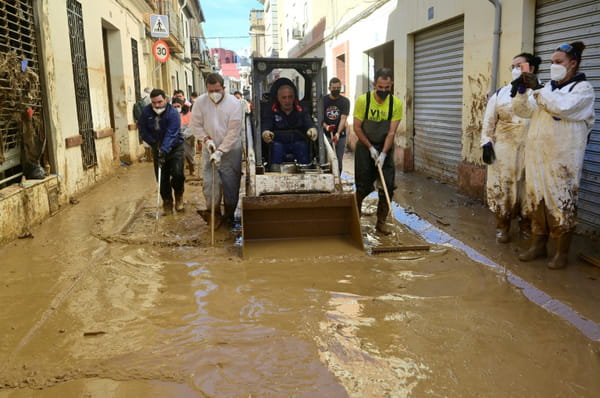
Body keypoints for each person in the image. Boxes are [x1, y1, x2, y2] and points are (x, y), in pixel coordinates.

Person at [513, 41, 595, 269]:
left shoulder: (583, 90)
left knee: (562, 202)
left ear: (573, 64)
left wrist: (537, 89)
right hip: (538, 157)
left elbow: (562, 108)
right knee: (536, 200)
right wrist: (520, 93)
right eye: (551, 63)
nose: (553, 66)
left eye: (558, 62)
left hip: (562, 160)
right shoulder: (547, 88)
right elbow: (523, 111)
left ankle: (561, 252)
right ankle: (538, 245)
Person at [481, 52, 541, 243]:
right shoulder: (500, 94)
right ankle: (503, 226)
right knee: (503, 189)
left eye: (519, 65)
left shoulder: (542, 93)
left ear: (530, 68)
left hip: (532, 150)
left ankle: (526, 226)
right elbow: (488, 122)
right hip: (504, 151)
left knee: (528, 190)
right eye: (513, 66)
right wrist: (486, 143)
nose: (515, 69)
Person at [353, 67, 403, 235]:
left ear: (391, 85)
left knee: (388, 186)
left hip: (385, 148)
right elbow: (357, 128)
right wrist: (370, 148)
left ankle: (381, 223)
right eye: (380, 87)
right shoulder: (363, 101)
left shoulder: (396, 104)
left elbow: (391, 132)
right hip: (365, 147)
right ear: (375, 84)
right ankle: (354, 221)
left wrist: (382, 153)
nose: (383, 91)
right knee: (363, 187)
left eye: (386, 88)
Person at [191, 73, 243, 228]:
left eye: (217, 90)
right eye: (211, 91)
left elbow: (234, 131)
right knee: (209, 184)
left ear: (223, 88)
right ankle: (213, 214)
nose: (214, 94)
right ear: (206, 89)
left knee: (230, 185)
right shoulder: (200, 103)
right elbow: (196, 125)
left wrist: (221, 151)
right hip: (210, 148)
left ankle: (229, 217)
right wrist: (207, 140)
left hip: (231, 150)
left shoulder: (234, 103)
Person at [138, 89, 185, 213]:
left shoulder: (173, 113)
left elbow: (172, 133)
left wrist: (164, 149)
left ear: (166, 100)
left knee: (178, 174)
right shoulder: (146, 112)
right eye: (154, 103)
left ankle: (179, 195)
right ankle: (167, 202)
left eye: (160, 102)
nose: (157, 105)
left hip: (175, 147)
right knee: (161, 177)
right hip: (157, 146)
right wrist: (154, 143)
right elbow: (143, 130)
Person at [261, 78, 317, 166]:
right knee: (276, 147)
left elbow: (308, 122)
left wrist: (312, 129)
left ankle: (306, 171)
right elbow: (266, 125)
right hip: (278, 143)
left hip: (297, 142)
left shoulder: (301, 109)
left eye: (290, 97)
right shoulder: (271, 110)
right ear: (278, 98)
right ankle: (275, 171)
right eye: (284, 97)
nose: (287, 101)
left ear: (294, 97)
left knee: (302, 146)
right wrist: (266, 133)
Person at [322, 77, 350, 174]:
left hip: (340, 135)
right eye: (334, 88)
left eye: (338, 88)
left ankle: (338, 180)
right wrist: (326, 127)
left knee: (338, 160)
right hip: (326, 135)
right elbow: (319, 118)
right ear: (329, 88)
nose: (336, 90)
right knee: (327, 160)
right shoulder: (323, 101)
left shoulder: (345, 102)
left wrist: (338, 133)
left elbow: (343, 118)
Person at [172, 98, 195, 175]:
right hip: (175, 137)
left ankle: (191, 166)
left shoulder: (188, 114)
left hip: (187, 136)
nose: (176, 108)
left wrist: (184, 134)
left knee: (188, 153)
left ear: (182, 105)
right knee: (178, 155)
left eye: (178, 106)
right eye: (174, 107)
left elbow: (192, 126)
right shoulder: (170, 115)